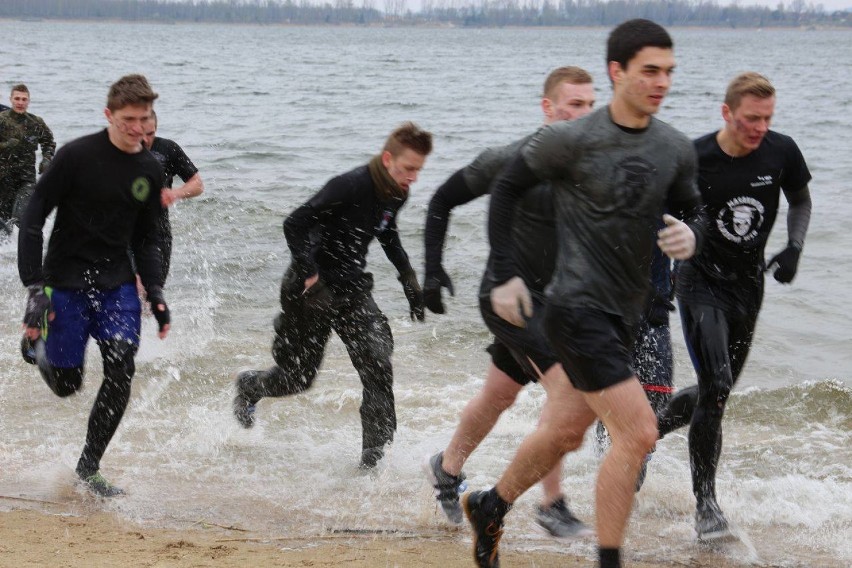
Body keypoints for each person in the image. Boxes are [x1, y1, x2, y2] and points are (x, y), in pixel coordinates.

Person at [461, 19, 706, 568]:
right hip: (573, 310)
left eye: (668, 71)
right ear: (617, 72)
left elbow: (693, 207)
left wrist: (693, 234)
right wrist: (503, 271)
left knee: (567, 430)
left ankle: (490, 505)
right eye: (649, 70)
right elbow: (505, 190)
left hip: (623, 315)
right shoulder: (571, 139)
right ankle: (609, 559)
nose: (661, 82)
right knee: (639, 433)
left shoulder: (673, 148)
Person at [421, 66, 596, 537]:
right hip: (506, 298)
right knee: (571, 389)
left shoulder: (593, 164)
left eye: (590, 105)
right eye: (573, 104)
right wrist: (432, 270)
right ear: (548, 108)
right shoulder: (512, 158)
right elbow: (441, 200)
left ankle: (447, 466)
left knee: (500, 393)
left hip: (560, 304)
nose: (583, 114)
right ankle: (552, 502)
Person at [656, 72, 812, 541]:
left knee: (714, 393)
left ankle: (645, 430)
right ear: (727, 113)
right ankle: (706, 507)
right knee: (718, 382)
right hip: (700, 282)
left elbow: (800, 199)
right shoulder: (695, 157)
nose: (759, 127)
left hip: (748, 287)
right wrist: (654, 281)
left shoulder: (781, 150)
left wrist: (795, 246)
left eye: (766, 118)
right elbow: (674, 222)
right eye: (750, 119)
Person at [232, 122, 432, 469]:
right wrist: (310, 273)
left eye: (419, 170)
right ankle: (251, 386)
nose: (413, 177)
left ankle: (374, 462)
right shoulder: (350, 184)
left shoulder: (397, 192)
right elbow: (294, 223)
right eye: (409, 168)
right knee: (298, 378)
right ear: (388, 159)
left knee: (378, 365)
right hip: (309, 288)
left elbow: (387, 233)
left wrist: (408, 278)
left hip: (353, 288)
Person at [17, 74, 170, 498]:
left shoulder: (150, 168)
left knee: (121, 366)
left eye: (144, 119)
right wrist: (34, 287)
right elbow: (32, 219)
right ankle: (38, 345)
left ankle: (90, 465)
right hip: (65, 281)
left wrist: (155, 291)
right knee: (68, 385)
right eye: (128, 119)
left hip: (116, 283)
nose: (137, 128)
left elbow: (147, 236)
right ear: (109, 115)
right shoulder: (75, 157)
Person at [141, 109, 204, 282]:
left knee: (152, 293)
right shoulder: (117, 151)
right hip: (122, 235)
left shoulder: (167, 149)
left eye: (151, 134)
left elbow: (197, 184)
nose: (146, 140)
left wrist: (176, 193)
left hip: (158, 234)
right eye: (141, 134)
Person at [0, 84, 55, 235]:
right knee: (4, 221)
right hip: (3, 177)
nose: (20, 102)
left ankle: (26, 247)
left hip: (26, 178)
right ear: (11, 99)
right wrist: (5, 145)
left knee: (20, 217)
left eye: (24, 99)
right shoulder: (2, 120)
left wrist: (47, 159)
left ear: (28, 101)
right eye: (17, 98)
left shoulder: (35, 122)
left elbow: (48, 142)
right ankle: (6, 253)